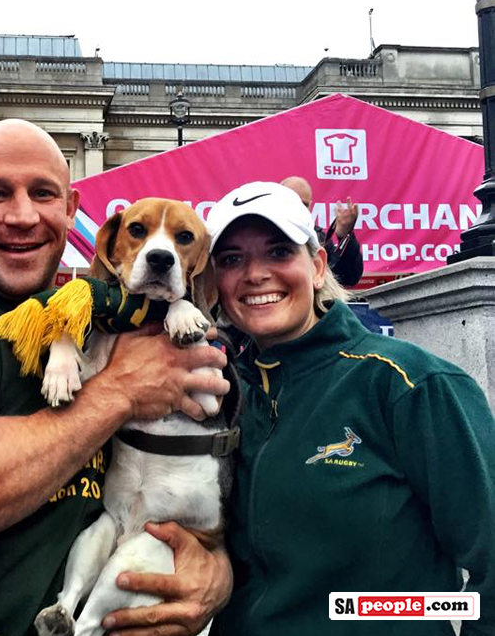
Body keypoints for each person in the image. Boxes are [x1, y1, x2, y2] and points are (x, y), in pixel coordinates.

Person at [0, 118, 233, 636]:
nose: (23, 215)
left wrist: (215, 569)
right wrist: (122, 391)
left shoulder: (96, 316)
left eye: (43, 193)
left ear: (71, 209)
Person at [204, 181, 495, 636]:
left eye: (280, 252)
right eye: (232, 259)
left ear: (318, 266)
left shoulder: (408, 382)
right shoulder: (222, 392)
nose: (255, 274)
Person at [280, 175, 363, 286]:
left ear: (310, 206)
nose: (298, 207)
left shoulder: (318, 238)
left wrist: (344, 235)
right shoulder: (262, 232)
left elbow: (347, 278)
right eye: (292, 201)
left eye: (304, 204)